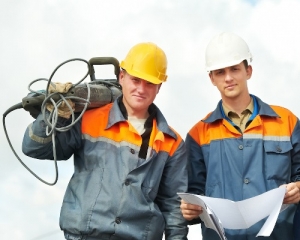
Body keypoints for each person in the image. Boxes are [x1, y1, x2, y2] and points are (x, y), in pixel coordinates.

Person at [22, 42, 188, 240]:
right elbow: (34, 148)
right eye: (136, 80)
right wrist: (53, 115)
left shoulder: (172, 143)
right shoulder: (87, 119)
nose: (141, 89)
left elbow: (173, 206)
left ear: (159, 87)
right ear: (122, 77)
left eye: (150, 83)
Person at [180, 32, 300, 239]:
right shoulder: (198, 135)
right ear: (212, 78)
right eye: (220, 72)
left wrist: (298, 188)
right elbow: (192, 195)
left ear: (248, 70)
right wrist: (188, 211)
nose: (228, 78)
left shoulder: (287, 122)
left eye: (234, 69)